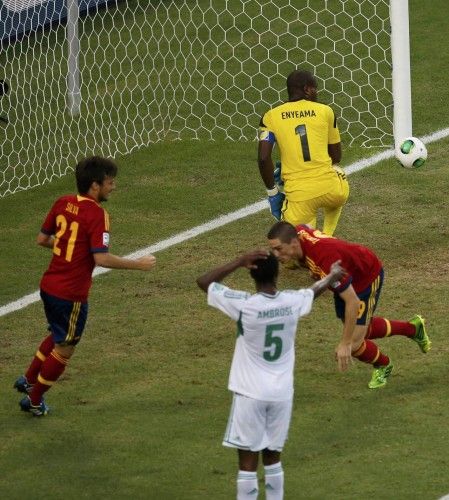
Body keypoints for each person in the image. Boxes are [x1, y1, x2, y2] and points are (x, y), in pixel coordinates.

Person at [197, 250, 345, 500]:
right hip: (281, 394)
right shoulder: (291, 302)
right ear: (277, 274)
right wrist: (332, 275)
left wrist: (237, 260)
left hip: (250, 393)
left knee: (247, 464)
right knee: (273, 459)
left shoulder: (245, 305)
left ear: (251, 273)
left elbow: (204, 282)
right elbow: (314, 290)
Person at [14, 156, 156, 416]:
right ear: (95, 186)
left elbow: (42, 239)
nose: (113, 187)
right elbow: (100, 258)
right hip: (71, 295)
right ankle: (34, 400)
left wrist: (69, 249)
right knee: (65, 348)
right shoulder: (98, 215)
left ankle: (28, 379)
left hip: (48, 285)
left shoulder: (62, 202)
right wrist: (138, 264)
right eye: (110, 183)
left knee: (58, 334)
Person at [267, 221, 431, 389]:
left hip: (365, 276)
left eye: (278, 248)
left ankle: (384, 365)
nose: (275, 254)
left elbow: (352, 302)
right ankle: (413, 328)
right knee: (360, 329)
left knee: (353, 344)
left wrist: (345, 343)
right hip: (347, 275)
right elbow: (304, 226)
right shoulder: (299, 234)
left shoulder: (324, 262)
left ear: (294, 242)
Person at [258, 69, 349, 236]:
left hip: (300, 197)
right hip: (332, 191)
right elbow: (336, 157)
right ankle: (327, 235)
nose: (317, 93)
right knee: (339, 173)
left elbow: (264, 158)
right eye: (315, 89)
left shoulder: (270, 116)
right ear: (307, 89)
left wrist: (272, 192)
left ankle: (313, 239)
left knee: (300, 242)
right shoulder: (325, 111)